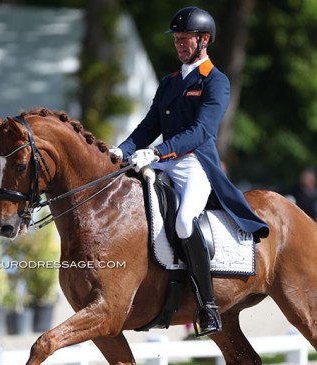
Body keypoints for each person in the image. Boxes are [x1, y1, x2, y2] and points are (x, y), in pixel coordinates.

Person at [111, 6, 269, 336]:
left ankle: (207, 304)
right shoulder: (170, 82)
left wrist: (155, 151)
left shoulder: (216, 81)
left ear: (204, 40)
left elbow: (200, 131)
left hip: (195, 163)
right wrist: (119, 151)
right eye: (178, 40)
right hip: (163, 159)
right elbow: (147, 126)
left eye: (186, 39)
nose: (180, 45)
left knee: (184, 221)